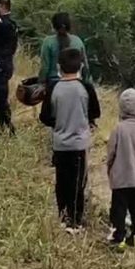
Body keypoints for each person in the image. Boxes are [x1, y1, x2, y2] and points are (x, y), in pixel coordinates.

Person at [39, 48, 91, 232]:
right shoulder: (85, 87)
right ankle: (76, 221)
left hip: (60, 143)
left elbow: (44, 117)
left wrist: (58, 121)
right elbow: (95, 112)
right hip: (80, 143)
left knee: (62, 181)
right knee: (78, 183)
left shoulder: (53, 88)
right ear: (81, 66)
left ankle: (62, 217)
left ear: (58, 67)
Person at [106, 88, 135, 249]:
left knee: (118, 209)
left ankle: (119, 238)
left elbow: (111, 152)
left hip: (120, 177)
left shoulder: (118, 129)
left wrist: (110, 169)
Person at [0, 0, 19, 135]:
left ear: (1, 7)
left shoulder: (4, 24)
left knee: (0, 96)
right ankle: (2, 124)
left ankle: (7, 125)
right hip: (3, 64)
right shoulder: (9, 24)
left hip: (0, 65)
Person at [39, 12, 89, 87]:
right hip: (76, 82)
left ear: (53, 26)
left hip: (53, 83)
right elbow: (85, 66)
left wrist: (40, 83)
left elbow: (45, 67)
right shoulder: (77, 41)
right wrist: (86, 82)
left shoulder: (48, 42)